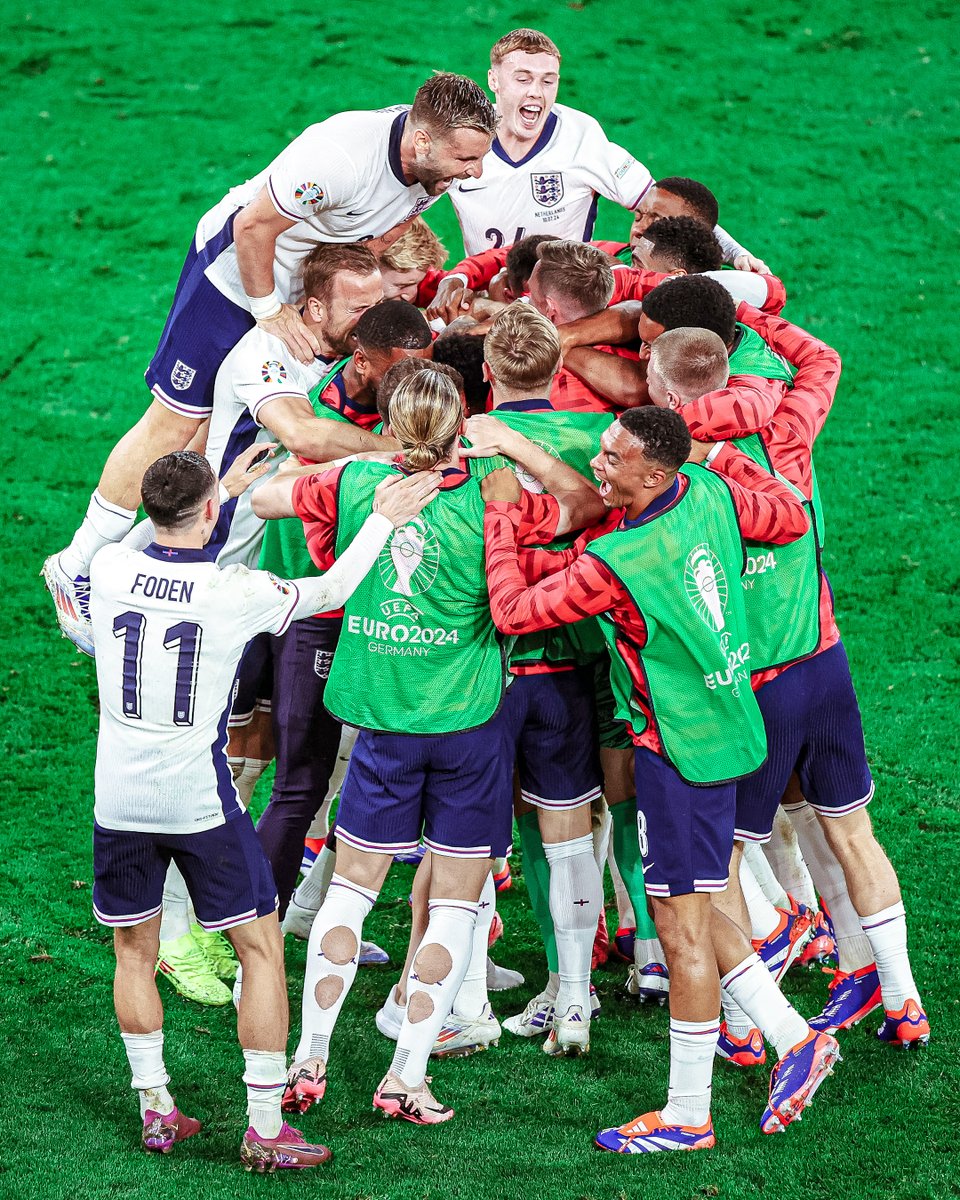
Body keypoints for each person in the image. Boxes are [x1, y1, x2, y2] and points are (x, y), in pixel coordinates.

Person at [482, 405, 840, 1150]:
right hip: (732, 726)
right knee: (699, 908)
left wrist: (500, 524)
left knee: (680, 931)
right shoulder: (707, 489)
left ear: (654, 472)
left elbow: (515, 612)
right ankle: (793, 1038)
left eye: (612, 459)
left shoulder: (621, 561)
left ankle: (687, 1116)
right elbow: (789, 517)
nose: (598, 466)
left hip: (678, 753)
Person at [43, 73, 496, 655]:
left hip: (295, 280)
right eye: (467, 158)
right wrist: (267, 309)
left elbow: (388, 227)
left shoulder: (433, 165)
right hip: (234, 276)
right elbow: (251, 226)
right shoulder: (339, 156)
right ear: (425, 141)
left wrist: (346, 287)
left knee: (211, 430)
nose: (476, 173)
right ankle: (77, 565)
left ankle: (128, 562)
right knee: (175, 421)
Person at [88, 442, 439, 1169]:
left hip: (118, 799)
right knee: (260, 946)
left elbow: (140, 547)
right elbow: (334, 589)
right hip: (198, 804)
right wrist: (380, 517)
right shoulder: (236, 592)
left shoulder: (112, 569)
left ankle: (156, 1108)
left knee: (134, 949)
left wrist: (219, 499)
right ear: (211, 510)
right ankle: (265, 1127)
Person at [653, 318, 929, 1049]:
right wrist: (749, 305)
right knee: (854, 832)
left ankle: (744, 1027)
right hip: (826, 663)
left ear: (667, 388)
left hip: (756, 689)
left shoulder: (678, 485)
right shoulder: (788, 432)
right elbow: (821, 359)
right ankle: (903, 1001)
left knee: (723, 865)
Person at [251, 370, 515, 1124]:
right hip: (468, 730)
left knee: (351, 891)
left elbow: (263, 497)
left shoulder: (357, 479)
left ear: (394, 424)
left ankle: (310, 1056)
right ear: (461, 420)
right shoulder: (491, 488)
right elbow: (572, 506)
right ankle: (405, 1077)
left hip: (383, 731)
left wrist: (319, 467)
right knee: (455, 909)